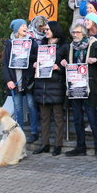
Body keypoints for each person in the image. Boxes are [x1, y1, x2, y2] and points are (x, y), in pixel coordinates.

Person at [61, 23, 97, 158]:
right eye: (73, 33)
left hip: (90, 86)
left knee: (92, 118)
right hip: (75, 86)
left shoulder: (94, 44)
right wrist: (63, 62)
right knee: (77, 119)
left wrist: (95, 59)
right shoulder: (70, 47)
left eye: (77, 32)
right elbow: (63, 61)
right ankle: (80, 146)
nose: (75, 35)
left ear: (83, 33)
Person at [32, 21, 68, 155]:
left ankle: (58, 145)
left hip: (56, 85)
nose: (45, 31)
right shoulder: (42, 45)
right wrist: (35, 63)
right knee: (44, 118)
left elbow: (69, 66)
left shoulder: (64, 46)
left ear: (54, 30)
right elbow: (36, 59)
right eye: (45, 29)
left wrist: (59, 67)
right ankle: (45, 144)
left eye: (48, 29)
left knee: (58, 118)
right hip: (42, 85)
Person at [2, 19, 39, 143]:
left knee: (31, 105)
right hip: (15, 80)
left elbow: (37, 56)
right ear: (17, 28)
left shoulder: (32, 42)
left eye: (26, 25)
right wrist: (8, 80)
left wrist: (26, 55)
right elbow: (5, 64)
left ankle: (34, 132)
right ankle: (20, 133)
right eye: (22, 25)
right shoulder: (9, 44)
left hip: (28, 80)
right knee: (17, 107)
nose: (25, 27)